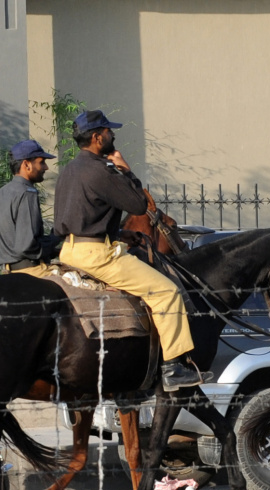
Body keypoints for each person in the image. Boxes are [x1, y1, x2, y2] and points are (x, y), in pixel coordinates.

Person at [53, 109, 209, 391]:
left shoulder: (69, 170)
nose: (114, 135)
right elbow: (139, 206)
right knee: (166, 292)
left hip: (68, 251)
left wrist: (120, 232)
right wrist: (126, 169)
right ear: (98, 137)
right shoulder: (101, 170)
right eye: (110, 132)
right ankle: (173, 367)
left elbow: (81, 214)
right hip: (96, 255)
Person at [0, 139, 57, 277]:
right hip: (32, 272)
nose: (46, 167)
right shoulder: (27, 193)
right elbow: (26, 246)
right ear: (26, 164)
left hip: (8, 272)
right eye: (41, 162)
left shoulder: (2, 192)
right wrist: (57, 237)